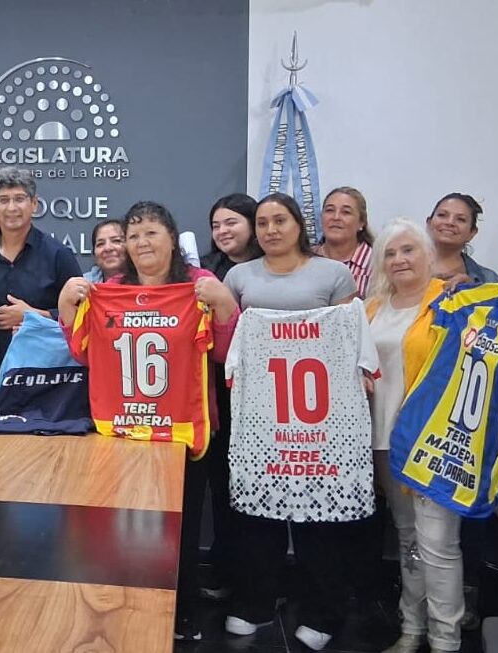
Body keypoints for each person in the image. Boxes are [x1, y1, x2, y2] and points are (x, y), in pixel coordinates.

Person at [57, 201, 240, 642]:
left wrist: (225, 308)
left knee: (182, 527)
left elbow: (223, 354)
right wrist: (66, 308)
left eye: (151, 233)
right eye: (133, 235)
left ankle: (181, 613)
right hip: (125, 430)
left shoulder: (198, 283)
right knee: (127, 526)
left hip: (184, 429)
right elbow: (84, 353)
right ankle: (129, 608)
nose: (141, 243)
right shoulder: (110, 289)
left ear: (172, 238)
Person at [221, 193, 365, 650]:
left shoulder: (333, 274)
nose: (271, 230)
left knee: (317, 516)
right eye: (263, 222)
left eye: (280, 220)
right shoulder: (239, 276)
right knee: (256, 514)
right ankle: (255, 603)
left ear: (298, 225)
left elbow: (352, 340)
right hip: (258, 415)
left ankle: (324, 610)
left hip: (320, 417)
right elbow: (227, 338)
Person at [365, 219, 459, 653]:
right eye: (390, 253)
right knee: (407, 537)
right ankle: (412, 628)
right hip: (383, 440)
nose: (399, 260)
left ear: (428, 255)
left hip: (433, 442)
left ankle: (445, 639)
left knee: (438, 543)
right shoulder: (371, 308)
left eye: (408, 250)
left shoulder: (452, 302)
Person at [195, 191, 263, 601]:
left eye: (231, 222)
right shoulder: (204, 272)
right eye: (216, 225)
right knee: (222, 487)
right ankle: (224, 570)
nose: (222, 231)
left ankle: (260, 581)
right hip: (219, 393)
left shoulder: (270, 269)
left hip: (266, 394)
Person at [0, 167, 82, 401]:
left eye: (19, 199)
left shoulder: (58, 255)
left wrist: (34, 316)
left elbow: (82, 315)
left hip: (46, 378)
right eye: (4, 200)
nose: (12, 208)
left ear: (34, 204)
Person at [427, 193, 498, 285]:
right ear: (429, 223)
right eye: (442, 215)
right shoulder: (409, 266)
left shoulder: (489, 280)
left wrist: (474, 290)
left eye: (461, 219)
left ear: (472, 233)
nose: (450, 222)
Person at [313, 186, 374, 296]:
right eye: (330, 210)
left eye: (346, 212)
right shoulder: (305, 259)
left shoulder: (376, 262)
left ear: (361, 223)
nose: (336, 217)